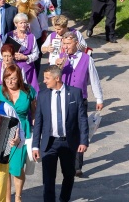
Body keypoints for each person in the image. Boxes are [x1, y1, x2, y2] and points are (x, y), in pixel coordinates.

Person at [32, 65, 89, 202]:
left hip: (68, 142)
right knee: (48, 178)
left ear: (57, 78)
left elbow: (82, 118)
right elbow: (38, 121)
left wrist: (83, 140)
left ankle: (64, 199)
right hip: (49, 142)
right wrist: (35, 146)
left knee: (69, 175)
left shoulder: (75, 93)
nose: (44, 81)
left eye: (47, 78)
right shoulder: (43, 95)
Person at [54, 31, 103, 177]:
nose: (66, 47)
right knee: (62, 131)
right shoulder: (60, 58)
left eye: (68, 44)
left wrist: (99, 98)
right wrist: (58, 68)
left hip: (80, 100)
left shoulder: (87, 59)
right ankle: (64, 158)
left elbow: (94, 79)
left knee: (79, 131)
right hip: (62, 99)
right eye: (64, 44)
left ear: (76, 43)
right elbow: (51, 80)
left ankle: (77, 166)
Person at [0, 65, 36, 202]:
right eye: (7, 78)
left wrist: (36, 127)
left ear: (19, 79)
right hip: (3, 131)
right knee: (5, 166)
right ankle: (7, 199)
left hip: (22, 130)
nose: (10, 82)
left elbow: (34, 111)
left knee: (17, 167)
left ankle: (18, 196)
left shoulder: (29, 91)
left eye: (13, 79)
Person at [6, 13, 40, 92]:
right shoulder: (9, 35)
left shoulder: (31, 36)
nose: (24, 25)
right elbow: (3, 51)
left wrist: (26, 57)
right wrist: (11, 56)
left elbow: (36, 54)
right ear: (16, 24)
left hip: (28, 69)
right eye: (21, 23)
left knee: (28, 91)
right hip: (12, 68)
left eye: (25, 22)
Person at [29, 0, 53, 75]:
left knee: (38, 56)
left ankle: (35, 77)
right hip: (29, 33)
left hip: (41, 33)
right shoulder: (27, 0)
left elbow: (52, 13)